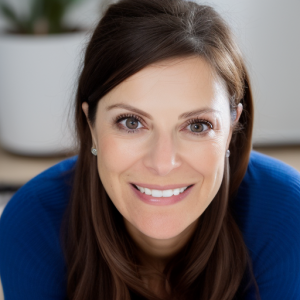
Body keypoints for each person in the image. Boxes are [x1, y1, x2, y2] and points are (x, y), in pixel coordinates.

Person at [0, 0, 300, 299]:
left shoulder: (287, 214)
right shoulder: (33, 224)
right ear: (91, 125)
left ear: (232, 128)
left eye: (197, 126)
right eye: (131, 122)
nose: (163, 163)